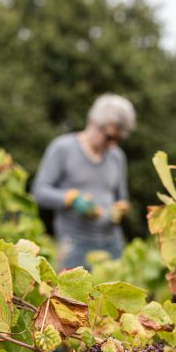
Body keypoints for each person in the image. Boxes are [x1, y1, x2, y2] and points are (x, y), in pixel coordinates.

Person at [31, 93, 136, 270]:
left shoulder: (117, 157)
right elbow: (39, 191)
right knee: (71, 297)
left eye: (118, 140)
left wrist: (121, 208)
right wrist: (71, 198)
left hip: (112, 244)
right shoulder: (63, 148)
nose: (112, 144)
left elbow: (121, 197)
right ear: (93, 123)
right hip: (75, 245)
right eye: (109, 137)